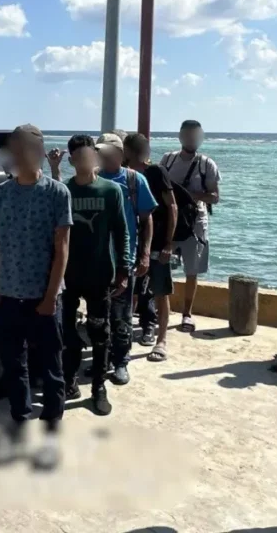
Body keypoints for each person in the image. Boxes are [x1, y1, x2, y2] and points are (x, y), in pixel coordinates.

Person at [0, 124, 72, 439]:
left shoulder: (57, 193)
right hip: (8, 296)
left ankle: (52, 421)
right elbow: (0, 243)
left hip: (44, 296)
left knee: (51, 365)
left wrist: (51, 296)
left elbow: (62, 247)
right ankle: (20, 417)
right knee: (14, 364)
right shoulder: (0, 194)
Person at [59, 134, 130, 415]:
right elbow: (56, 237)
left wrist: (124, 269)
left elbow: (121, 232)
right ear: (72, 159)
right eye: (79, 156)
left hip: (101, 276)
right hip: (68, 277)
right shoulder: (63, 191)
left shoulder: (111, 191)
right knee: (67, 331)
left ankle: (99, 386)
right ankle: (69, 380)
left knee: (100, 332)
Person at [95, 132, 156, 385]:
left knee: (121, 315)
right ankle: (104, 359)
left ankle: (121, 361)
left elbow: (147, 219)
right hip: (95, 261)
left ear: (120, 153)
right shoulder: (92, 178)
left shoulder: (134, 180)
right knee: (99, 315)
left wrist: (144, 255)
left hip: (123, 260)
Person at [160, 120, 221, 333]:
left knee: (192, 269)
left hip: (195, 222)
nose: (191, 139)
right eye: (187, 135)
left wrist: (189, 196)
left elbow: (214, 197)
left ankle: (187, 313)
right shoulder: (167, 160)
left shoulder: (207, 164)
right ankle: (161, 311)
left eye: (195, 135)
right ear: (180, 136)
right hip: (170, 220)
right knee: (161, 264)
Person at [123, 132, 177, 363]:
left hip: (158, 245)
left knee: (160, 292)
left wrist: (169, 243)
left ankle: (161, 340)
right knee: (130, 293)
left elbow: (172, 207)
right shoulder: (125, 174)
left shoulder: (156, 172)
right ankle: (124, 339)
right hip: (133, 244)